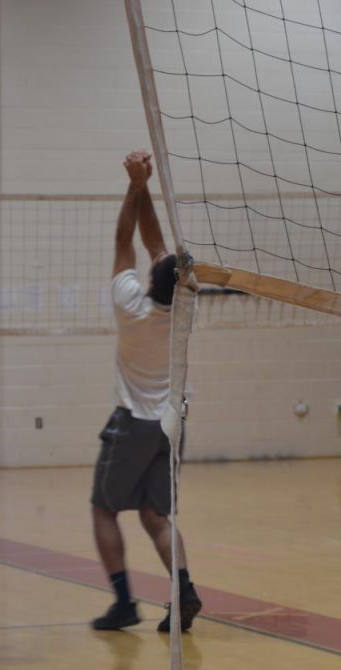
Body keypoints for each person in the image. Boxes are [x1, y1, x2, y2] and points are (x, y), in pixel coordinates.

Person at [90, 150, 201, 633]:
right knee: (157, 515)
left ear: (149, 280)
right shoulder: (185, 308)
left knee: (104, 508)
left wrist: (136, 184)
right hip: (174, 423)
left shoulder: (130, 303)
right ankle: (186, 591)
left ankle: (123, 602)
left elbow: (126, 240)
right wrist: (146, 183)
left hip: (133, 421)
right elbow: (156, 245)